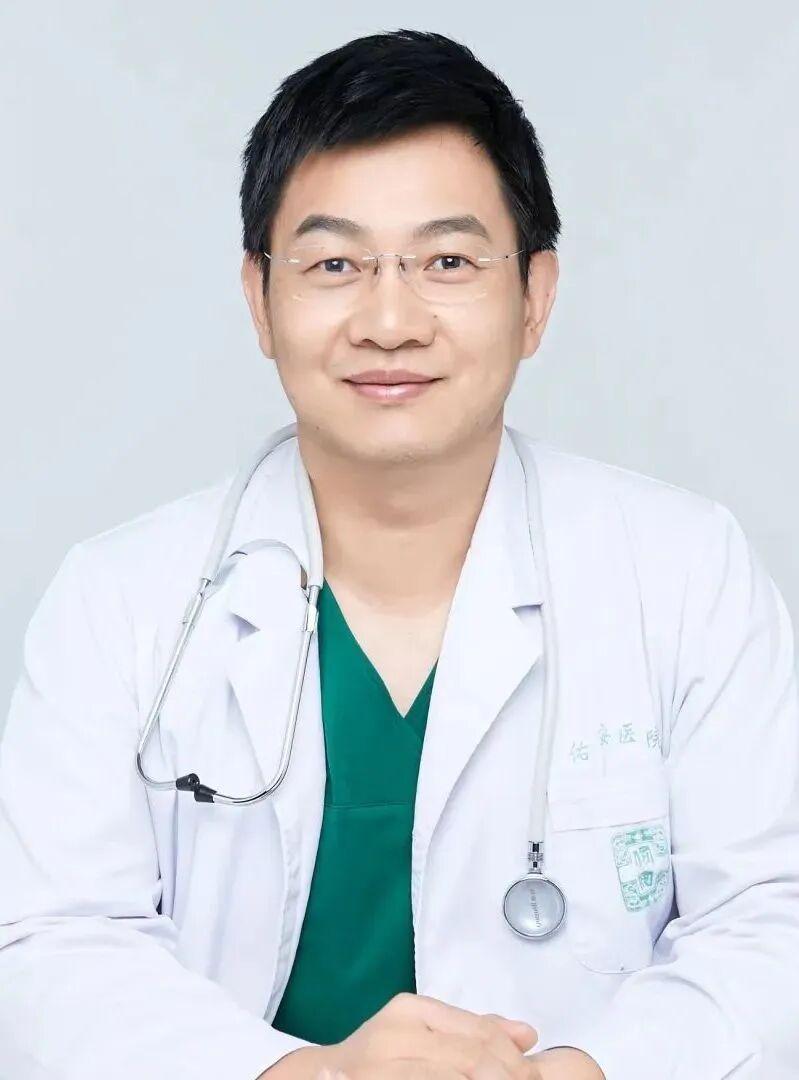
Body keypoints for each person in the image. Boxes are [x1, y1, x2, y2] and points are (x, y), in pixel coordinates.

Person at [1, 26, 798, 1080]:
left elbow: (771, 921)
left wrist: (574, 1075)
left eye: (447, 262)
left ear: (535, 297)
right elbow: (50, 945)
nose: (388, 320)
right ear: (258, 298)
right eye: (334, 264)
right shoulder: (120, 600)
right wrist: (313, 1077)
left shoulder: (685, 572)